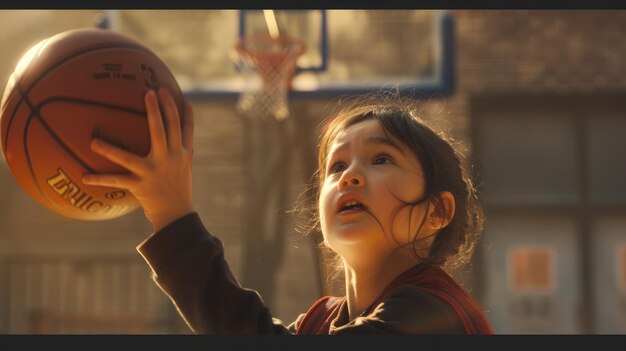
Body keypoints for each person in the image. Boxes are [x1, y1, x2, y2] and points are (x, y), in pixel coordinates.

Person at [81, 87, 494, 335]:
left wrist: (172, 213)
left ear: (437, 211)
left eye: (381, 159)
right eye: (336, 166)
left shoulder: (436, 314)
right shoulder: (322, 320)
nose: (349, 176)